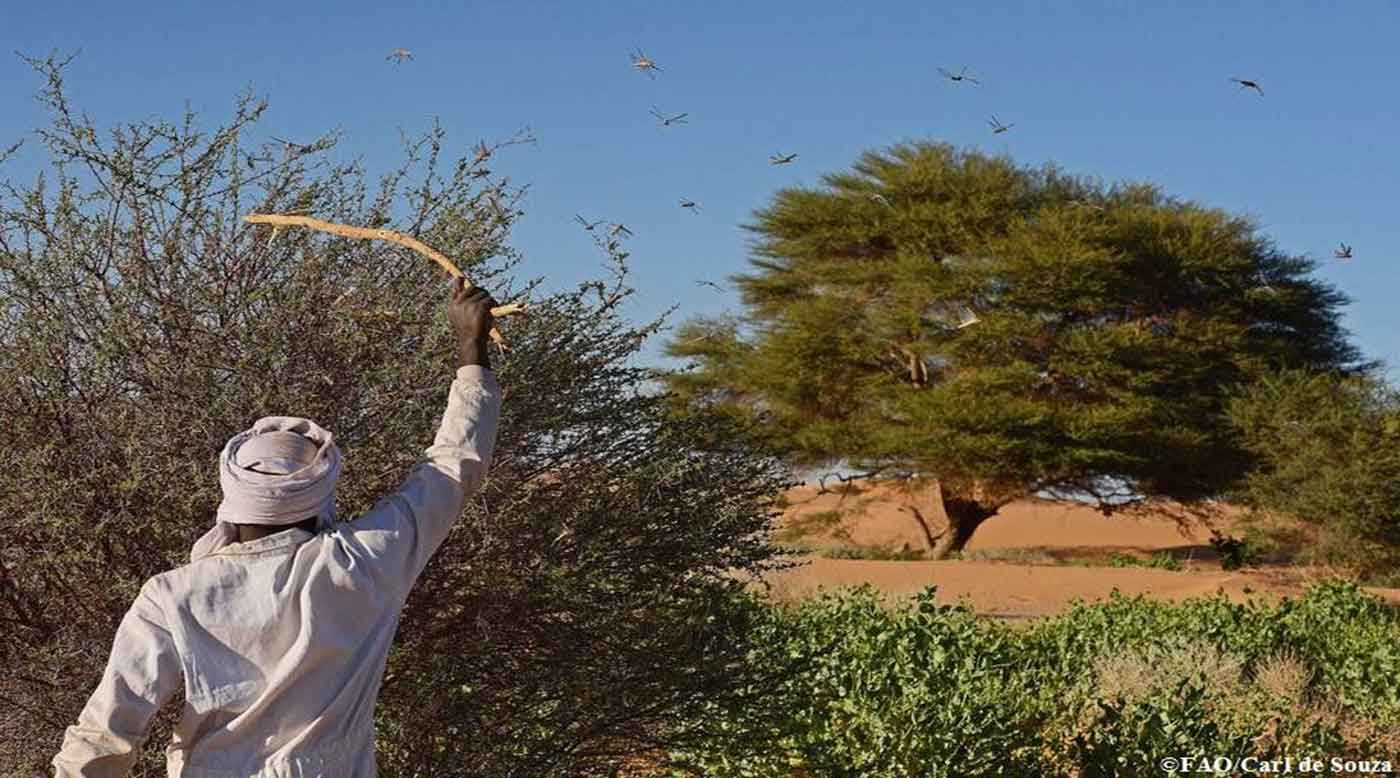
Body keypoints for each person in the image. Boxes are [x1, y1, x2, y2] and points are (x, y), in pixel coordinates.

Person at [52, 278, 503, 777]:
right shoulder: (366, 561)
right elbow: (452, 467)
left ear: (232, 493)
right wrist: (470, 349)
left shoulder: (174, 595)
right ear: (318, 496)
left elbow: (104, 736)